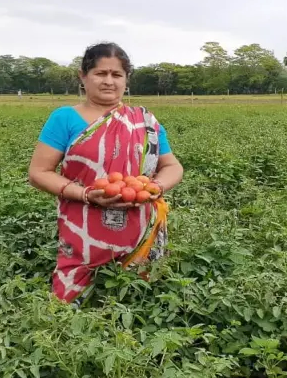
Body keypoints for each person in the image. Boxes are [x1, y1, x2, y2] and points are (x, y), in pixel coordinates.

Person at [28, 42, 184, 306]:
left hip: (140, 228)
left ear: (126, 79)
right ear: (83, 76)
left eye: (117, 74)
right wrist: (86, 194)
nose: (109, 81)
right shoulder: (65, 118)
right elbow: (38, 172)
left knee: (139, 303)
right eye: (100, 73)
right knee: (68, 306)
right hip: (82, 230)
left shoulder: (145, 121)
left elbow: (172, 166)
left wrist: (155, 188)